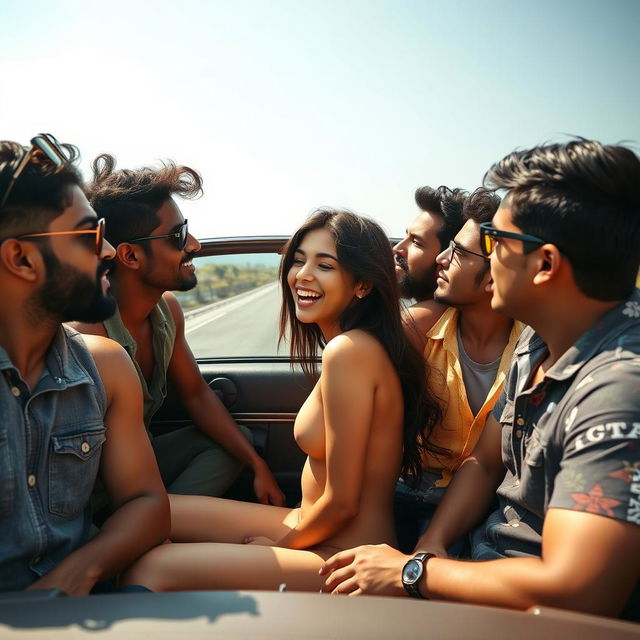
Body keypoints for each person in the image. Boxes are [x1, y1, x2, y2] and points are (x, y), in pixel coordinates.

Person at [321, 139, 640, 621]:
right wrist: (428, 548)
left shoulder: (617, 389)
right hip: (478, 566)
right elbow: (488, 461)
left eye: (497, 243)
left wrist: (411, 575)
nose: (487, 262)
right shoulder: (539, 342)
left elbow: (579, 590)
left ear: (546, 265)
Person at [121, 208, 442, 592]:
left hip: (344, 552)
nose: (302, 275)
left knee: (151, 567)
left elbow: (343, 504)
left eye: (325, 265)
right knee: (152, 513)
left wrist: (276, 549)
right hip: (310, 520)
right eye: (299, 261)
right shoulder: (356, 346)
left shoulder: (349, 352)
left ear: (362, 285)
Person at [0, 135, 169, 595]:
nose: (110, 251)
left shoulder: (105, 365)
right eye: (90, 235)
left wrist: (76, 575)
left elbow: (148, 502)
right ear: (21, 258)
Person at [73, 154, 284, 505]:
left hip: (140, 468)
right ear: (130, 256)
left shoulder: (166, 310)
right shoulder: (89, 334)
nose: (194, 245)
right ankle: (145, 532)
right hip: (91, 489)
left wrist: (258, 466)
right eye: (178, 235)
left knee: (236, 443)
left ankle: (160, 527)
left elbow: (197, 395)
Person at [394, 187, 525, 553]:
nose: (441, 259)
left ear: (493, 276)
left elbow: (486, 464)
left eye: (459, 253)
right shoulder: (419, 331)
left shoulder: (532, 349)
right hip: (405, 493)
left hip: (484, 511)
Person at [392, 185, 468, 348]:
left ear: (446, 257)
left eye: (416, 242)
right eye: (406, 236)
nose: (398, 248)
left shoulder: (412, 324)